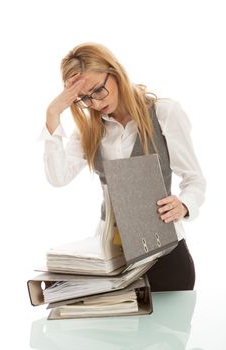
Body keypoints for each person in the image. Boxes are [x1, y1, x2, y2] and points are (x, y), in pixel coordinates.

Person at [40, 42, 206, 291]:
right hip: (113, 258)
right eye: (84, 98)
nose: (94, 103)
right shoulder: (88, 131)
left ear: (115, 73)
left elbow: (195, 180)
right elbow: (58, 177)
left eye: (98, 90)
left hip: (165, 255)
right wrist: (53, 113)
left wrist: (184, 204)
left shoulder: (164, 113)